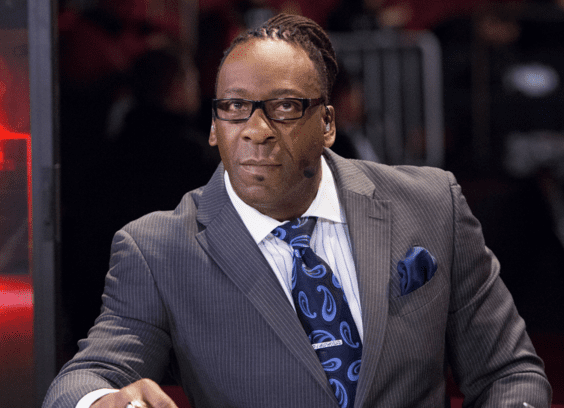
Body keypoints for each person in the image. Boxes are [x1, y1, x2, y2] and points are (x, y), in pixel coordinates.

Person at [43, 13, 551, 408]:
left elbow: (508, 371)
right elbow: (85, 377)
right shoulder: (158, 249)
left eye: (284, 107)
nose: (256, 130)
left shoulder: (431, 204)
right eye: (234, 107)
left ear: (327, 123)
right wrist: (105, 401)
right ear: (214, 126)